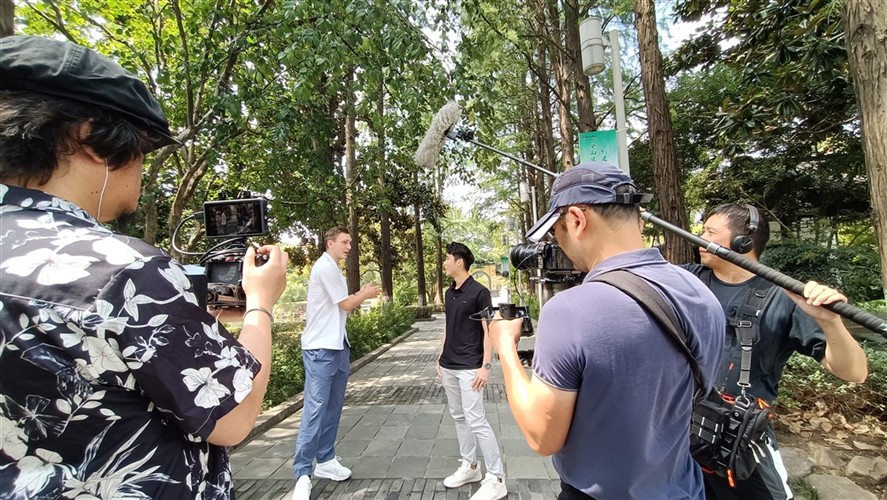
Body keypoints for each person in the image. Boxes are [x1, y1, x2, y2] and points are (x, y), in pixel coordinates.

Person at [0, 35, 288, 499]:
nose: (140, 165)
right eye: (142, 147)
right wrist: (261, 303)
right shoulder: (120, 271)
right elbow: (233, 417)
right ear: (91, 138)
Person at [487, 161, 726, 499]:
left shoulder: (570, 310)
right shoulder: (700, 293)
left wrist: (506, 349)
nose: (559, 245)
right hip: (684, 489)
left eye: (557, 231)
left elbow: (542, 437)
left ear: (577, 219)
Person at [688, 203, 868, 500]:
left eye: (709, 231)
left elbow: (855, 372)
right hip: (683, 433)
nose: (699, 237)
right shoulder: (686, 282)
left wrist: (830, 321)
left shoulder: (782, 296)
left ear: (742, 242)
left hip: (739, 442)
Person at [291, 227, 381, 500]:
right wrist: (364, 293)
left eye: (350, 242)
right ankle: (302, 473)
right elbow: (345, 305)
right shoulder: (325, 267)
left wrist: (360, 293)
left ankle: (326, 460)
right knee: (316, 410)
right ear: (330, 243)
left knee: (332, 408)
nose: (349, 246)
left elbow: (339, 305)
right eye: (345, 242)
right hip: (321, 349)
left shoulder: (333, 268)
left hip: (337, 346)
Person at [437, 242, 507, 500]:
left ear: (459, 261)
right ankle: (470, 466)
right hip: (449, 365)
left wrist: (486, 366)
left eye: (447, 259)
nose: (444, 263)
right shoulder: (448, 293)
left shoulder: (480, 292)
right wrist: (439, 356)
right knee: (458, 417)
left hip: (471, 367)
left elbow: (488, 330)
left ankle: (497, 478)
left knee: (476, 419)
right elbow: (448, 326)